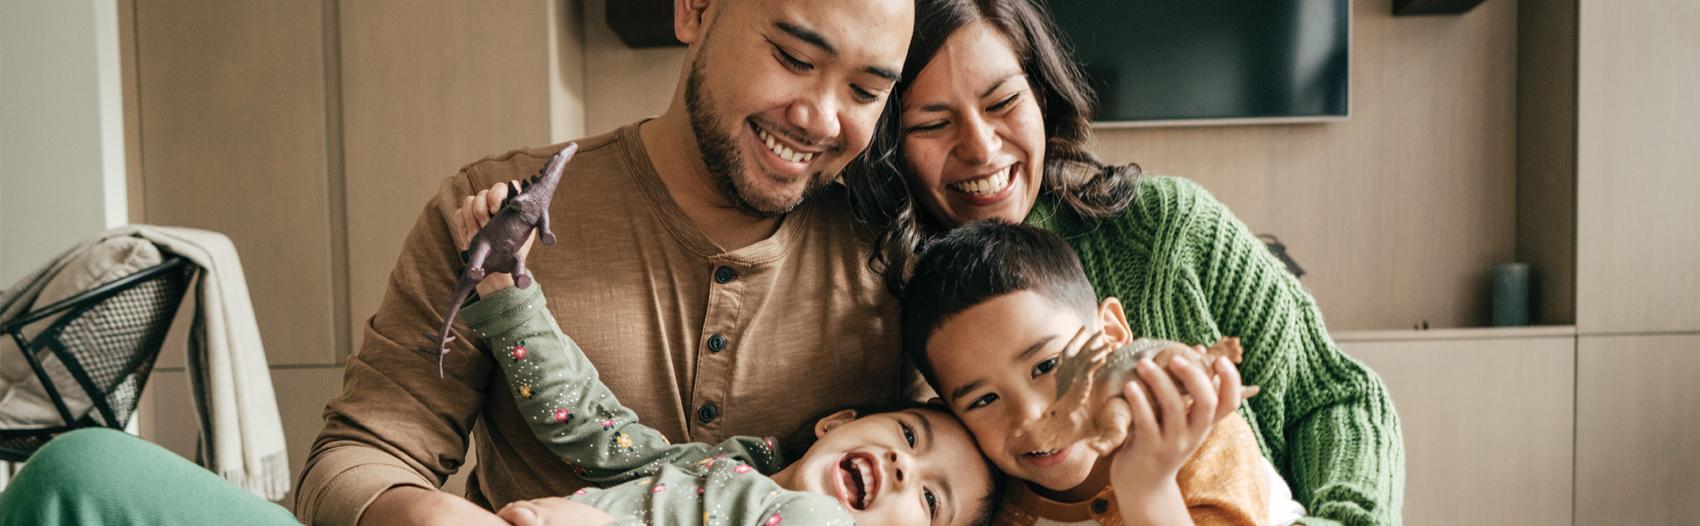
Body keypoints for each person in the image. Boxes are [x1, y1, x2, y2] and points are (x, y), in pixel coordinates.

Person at [297, 1, 920, 524]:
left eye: (865, 91)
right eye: (793, 58)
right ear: (694, 8)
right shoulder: (489, 209)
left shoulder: (897, 267)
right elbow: (360, 454)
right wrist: (427, 516)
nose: (821, 119)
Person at [844, 0, 1404, 523]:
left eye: (1003, 102)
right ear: (888, 139)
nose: (982, 148)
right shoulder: (877, 291)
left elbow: (1334, 397)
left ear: (1041, 95)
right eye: (933, 124)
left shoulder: (1165, 227)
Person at [457, 236, 998, 525]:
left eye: (930, 501)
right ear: (837, 424)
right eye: (908, 435)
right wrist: (509, 295)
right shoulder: (721, 471)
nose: (905, 466)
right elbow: (592, 430)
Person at [901, 221, 1307, 526]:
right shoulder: (996, 504)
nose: (1030, 415)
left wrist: (1146, 489)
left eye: (1047, 366)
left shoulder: (1199, 435)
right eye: (983, 400)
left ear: (1111, 334)